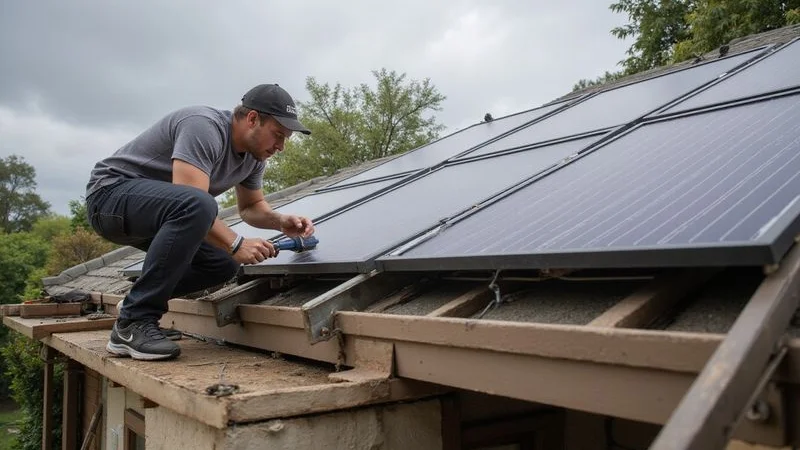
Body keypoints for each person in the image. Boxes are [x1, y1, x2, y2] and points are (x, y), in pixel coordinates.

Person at [85, 84, 315, 361]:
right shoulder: (203, 126)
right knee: (201, 205)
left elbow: (251, 207)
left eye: (286, 138)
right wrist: (236, 242)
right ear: (253, 118)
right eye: (278, 135)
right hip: (110, 197)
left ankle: (135, 305)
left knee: (221, 263)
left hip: (157, 214)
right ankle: (134, 324)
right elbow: (192, 201)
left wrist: (280, 221)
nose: (281, 147)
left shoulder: (254, 158)